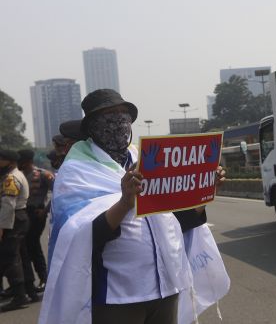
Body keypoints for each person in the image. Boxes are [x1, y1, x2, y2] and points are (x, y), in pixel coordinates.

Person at [39, 89, 230, 324]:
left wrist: (205, 192)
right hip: (118, 296)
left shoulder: (146, 159)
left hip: (166, 286)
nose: (119, 121)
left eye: (124, 114)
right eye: (110, 115)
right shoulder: (76, 170)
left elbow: (174, 222)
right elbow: (80, 238)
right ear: (91, 126)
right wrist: (124, 203)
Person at [17, 149, 54, 293]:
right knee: (26, 247)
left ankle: (44, 278)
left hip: (37, 213)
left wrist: (45, 211)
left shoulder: (44, 174)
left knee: (33, 245)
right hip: (24, 213)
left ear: (28, 162)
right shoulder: (20, 175)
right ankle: (35, 279)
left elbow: (57, 192)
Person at [0, 149, 31, 312]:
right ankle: (21, 291)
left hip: (14, 219)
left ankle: (20, 296)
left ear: (9, 162)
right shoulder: (15, 174)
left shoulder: (11, 178)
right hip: (19, 218)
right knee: (17, 256)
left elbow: (8, 206)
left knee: (10, 257)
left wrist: (2, 228)